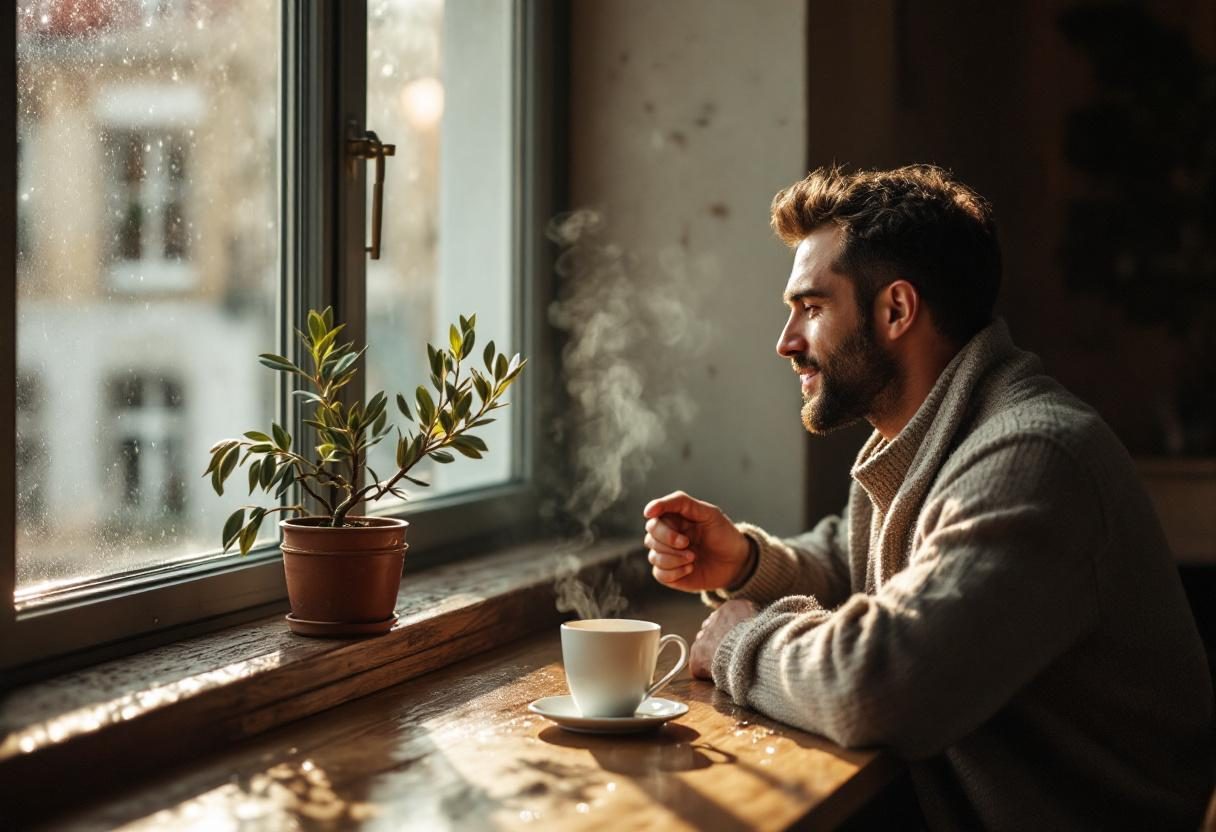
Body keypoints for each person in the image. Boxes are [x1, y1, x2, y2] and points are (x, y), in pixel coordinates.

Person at [642, 165, 1214, 829]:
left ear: (896, 310)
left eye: (811, 307)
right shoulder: (931, 439)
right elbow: (856, 563)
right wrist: (743, 560)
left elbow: (881, 686)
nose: (786, 342)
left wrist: (745, 644)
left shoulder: (1036, 456)